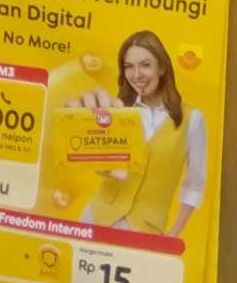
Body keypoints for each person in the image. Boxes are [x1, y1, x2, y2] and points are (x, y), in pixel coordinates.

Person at [76, 31, 207, 237]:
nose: (136, 75)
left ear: (162, 67)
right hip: (96, 219)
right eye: (129, 66)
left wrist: (174, 233)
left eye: (145, 65)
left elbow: (195, 183)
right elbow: (100, 162)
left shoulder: (192, 119)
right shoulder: (119, 109)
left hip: (146, 231)